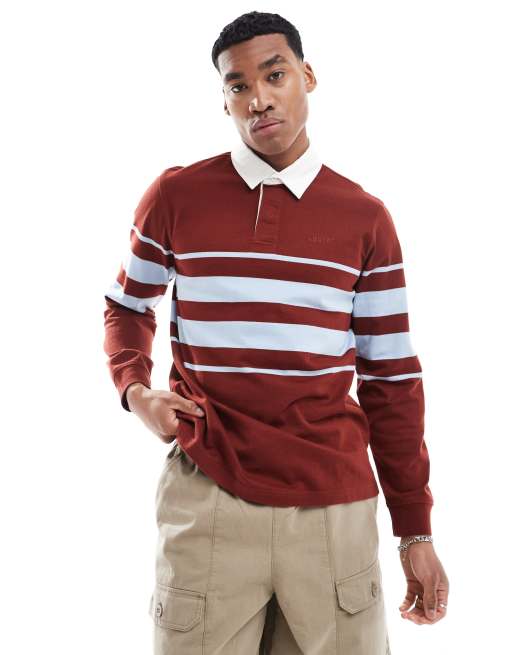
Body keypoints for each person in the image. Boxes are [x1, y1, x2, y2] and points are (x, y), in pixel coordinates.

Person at [103, 10, 449, 654]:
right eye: (237, 86)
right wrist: (136, 391)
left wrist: (415, 530)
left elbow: (392, 379)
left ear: (307, 76)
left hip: (333, 512)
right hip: (208, 498)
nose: (258, 98)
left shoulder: (365, 219)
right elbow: (126, 306)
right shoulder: (176, 196)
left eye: (274, 75)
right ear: (224, 100)